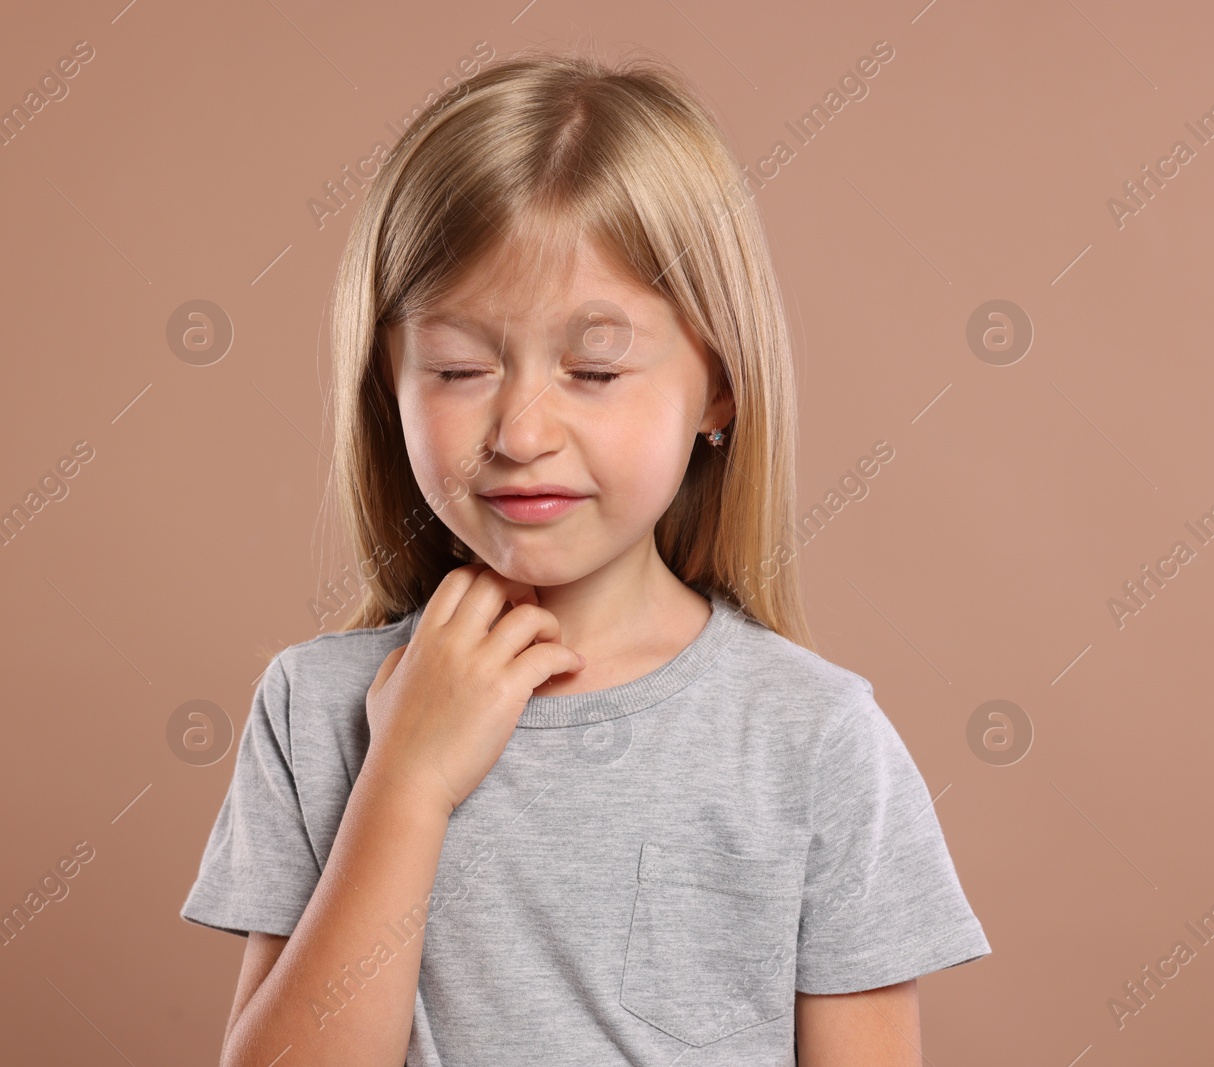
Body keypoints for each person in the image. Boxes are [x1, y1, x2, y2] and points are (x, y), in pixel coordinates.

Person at [179, 46, 989, 1067]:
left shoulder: (813, 738)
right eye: (459, 366)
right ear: (387, 383)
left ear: (719, 386)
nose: (521, 430)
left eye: (596, 369)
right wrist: (406, 780)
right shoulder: (313, 707)